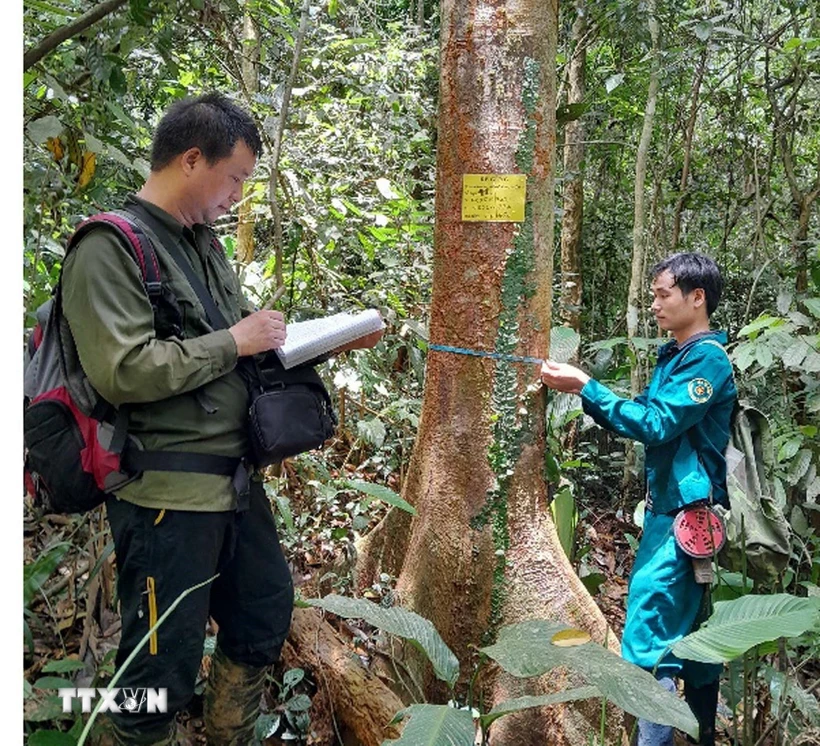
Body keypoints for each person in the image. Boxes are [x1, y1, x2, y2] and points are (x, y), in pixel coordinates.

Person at [60, 92, 380, 745]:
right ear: (191, 159)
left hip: (232, 485)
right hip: (165, 496)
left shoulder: (202, 245)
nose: (238, 195)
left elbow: (230, 346)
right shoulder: (109, 246)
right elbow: (122, 369)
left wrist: (312, 343)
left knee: (262, 615)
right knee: (157, 673)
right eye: (234, 178)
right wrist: (237, 340)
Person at [539, 253, 736, 746]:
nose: (654, 304)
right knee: (695, 644)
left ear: (697, 298)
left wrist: (587, 385)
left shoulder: (708, 361)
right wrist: (589, 392)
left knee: (648, 646)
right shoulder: (678, 357)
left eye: (663, 293)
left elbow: (656, 424)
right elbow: (645, 416)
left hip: (683, 523)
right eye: (652, 294)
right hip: (671, 517)